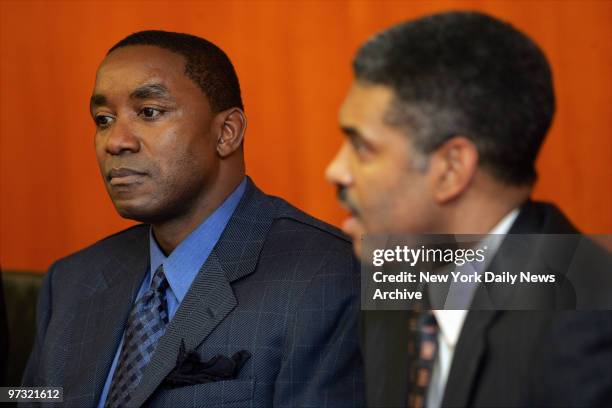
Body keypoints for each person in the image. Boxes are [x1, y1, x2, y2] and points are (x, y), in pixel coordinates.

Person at [23, 30, 363, 407]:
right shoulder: (71, 281)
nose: (115, 141)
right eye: (103, 119)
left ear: (226, 133)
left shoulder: (331, 276)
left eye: (149, 112)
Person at [326, 11, 612, 408]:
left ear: (451, 169)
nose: (336, 171)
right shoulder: (394, 285)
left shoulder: (585, 329)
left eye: (361, 148)